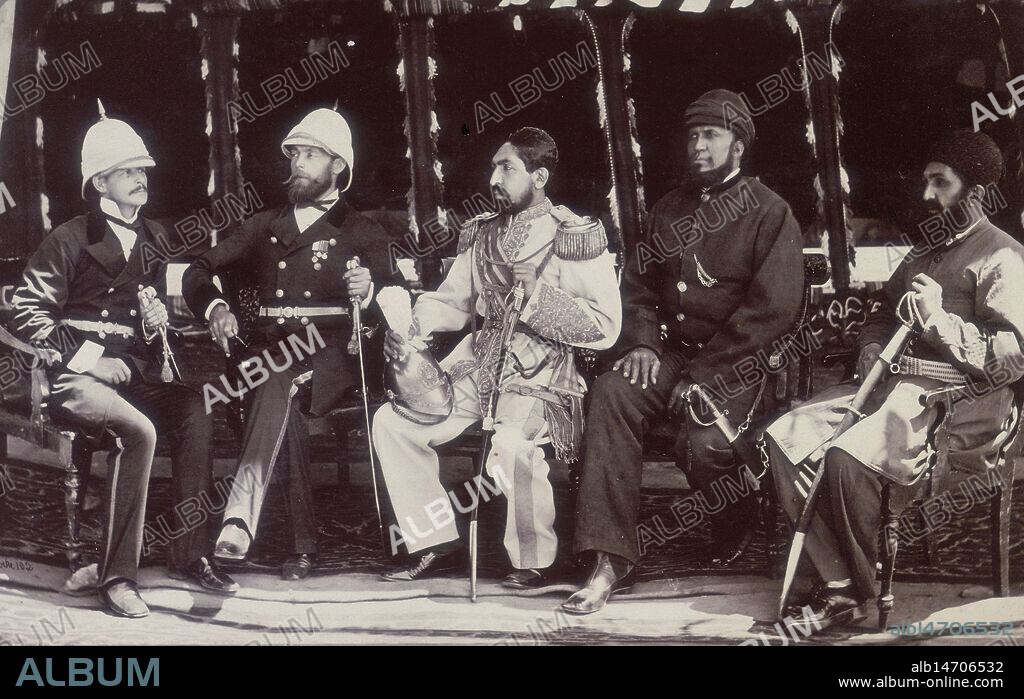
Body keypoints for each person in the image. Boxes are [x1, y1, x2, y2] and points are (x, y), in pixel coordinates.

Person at [765, 130, 1024, 631]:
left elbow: (1010, 363)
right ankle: (840, 583)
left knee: (846, 457)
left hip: (963, 409)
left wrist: (938, 321)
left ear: (974, 192)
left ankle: (858, 592)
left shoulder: (1004, 257)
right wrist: (868, 345)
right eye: (927, 181)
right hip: (894, 394)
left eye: (940, 183)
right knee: (787, 436)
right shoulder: (924, 250)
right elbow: (883, 314)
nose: (927, 195)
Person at [563, 90, 804, 615]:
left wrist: (705, 373)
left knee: (702, 443)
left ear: (738, 144)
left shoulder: (770, 211)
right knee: (612, 392)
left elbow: (773, 310)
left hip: (737, 358)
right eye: (692, 135)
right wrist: (646, 343)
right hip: (670, 351)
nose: (697, 145)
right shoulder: (668, 209)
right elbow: (639, 289)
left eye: (711, 135)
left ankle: (733, 511)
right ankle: (611, 559)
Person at [11, 103, 237, 618]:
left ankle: (189, 553)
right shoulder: (69, 238)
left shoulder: (156, 236)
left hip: (131, 368)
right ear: (100, 182)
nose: (141, 179)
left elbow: (147, 315)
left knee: (195, 412)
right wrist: (90, 359)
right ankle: (117, 578)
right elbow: (25, 314)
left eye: (142, 170)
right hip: (73, 377)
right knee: (140, 431)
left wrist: (154, 321)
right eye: (128, 172)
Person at [373, 127, 621, 588]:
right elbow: (453, 302)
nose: (495, 177)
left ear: (540, 175)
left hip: (544, 371)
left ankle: (536, 560)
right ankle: (435, 541)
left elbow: (603, 327)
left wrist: (536, 296)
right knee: (393, 422)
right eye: (494, 167)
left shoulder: (574, 235)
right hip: (478, 363)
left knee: (511, 447)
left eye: (507, 168)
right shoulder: (482, 233)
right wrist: (411, 329)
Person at [182, 107, 388, 580]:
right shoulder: (263, 224)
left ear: (337, 165)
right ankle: (303, 547)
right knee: (279, 393)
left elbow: (397, 304)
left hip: (333, 354)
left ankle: (239, 514)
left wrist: (370, 290)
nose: (297, 163)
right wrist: (216, 308)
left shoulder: (362, 229)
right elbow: (198, 269)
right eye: (295, 154)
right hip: (266, 352)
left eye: (311, 155)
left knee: (275, 378)